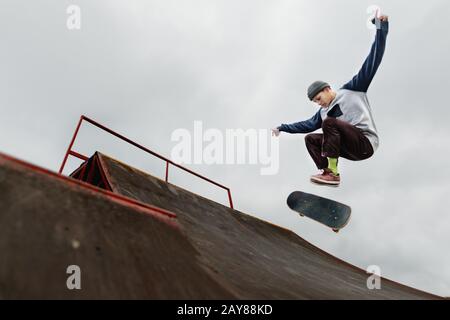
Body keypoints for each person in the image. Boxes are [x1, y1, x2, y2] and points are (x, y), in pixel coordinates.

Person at [272, 15, 389, 186]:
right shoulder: (322, 112)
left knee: (329, 123)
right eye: (316, 102)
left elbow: (373, 60)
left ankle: (333, 173)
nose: (319, 104)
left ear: (327, 89)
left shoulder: (352, 89)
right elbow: (305, 125)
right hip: (349, 149)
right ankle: (327, 172)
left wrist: (381, 27)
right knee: (311, 138)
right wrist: (282, 128)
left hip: (365, 143)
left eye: (319, 98)